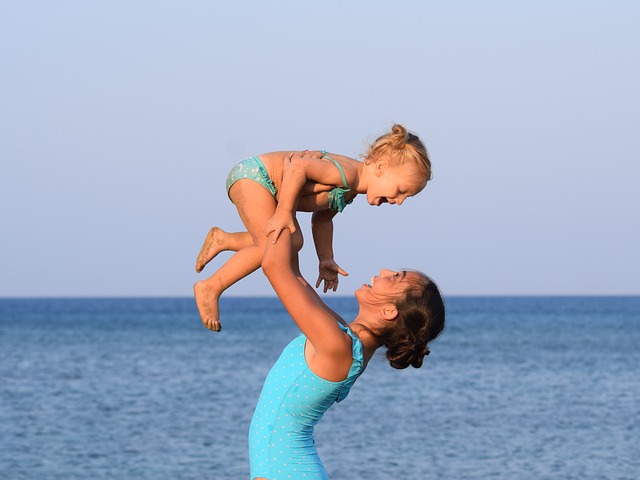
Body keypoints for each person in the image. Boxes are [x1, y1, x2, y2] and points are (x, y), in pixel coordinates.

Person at [249, 227, 445, 479]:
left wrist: (286, 210)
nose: (385, 271)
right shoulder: (341, 336)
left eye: (396, 277)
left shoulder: (337, 344)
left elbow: (274, 266)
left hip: (286, 471)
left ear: (388, 311)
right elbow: (293, 272)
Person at [194, 124, 432, 332]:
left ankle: (223, 240)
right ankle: (211, 286)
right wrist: (285, 212)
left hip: (268, 188)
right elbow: (299, 168)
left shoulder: (349, 192)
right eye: (401, 191)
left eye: (405, 197)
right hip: (256, 177)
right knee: (276, 245)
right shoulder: (347, 173)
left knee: (292, 244)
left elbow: (322, 220)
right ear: (380, 168)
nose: (399, 201)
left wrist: (325, 258)